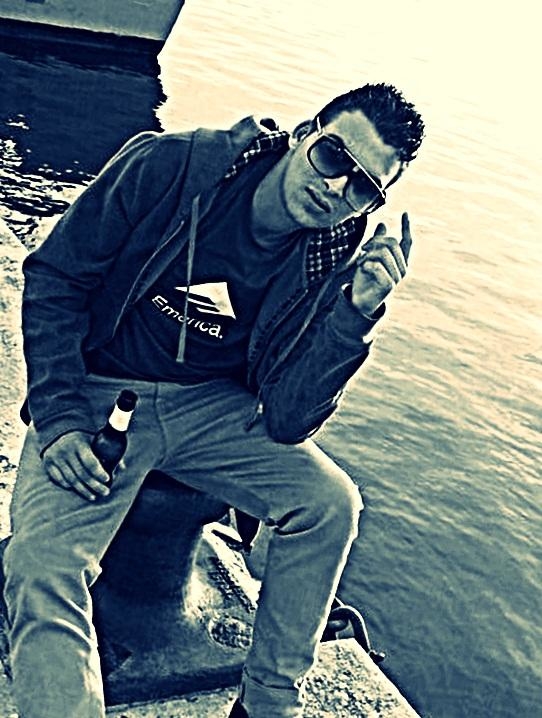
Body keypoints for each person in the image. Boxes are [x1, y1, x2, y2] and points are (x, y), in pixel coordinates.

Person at [3, 82, 425, 718]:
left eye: (363, 187)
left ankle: (266, 704)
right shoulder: (173, 165)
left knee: (329, 504)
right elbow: (57, 277)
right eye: (334, 156)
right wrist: (60, 420)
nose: (336, 188)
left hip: (210, 408)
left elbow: (289, 419)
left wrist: (355, 314)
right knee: (42, 567)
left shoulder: (332, 255)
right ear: (304, 133)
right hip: (99, 388)